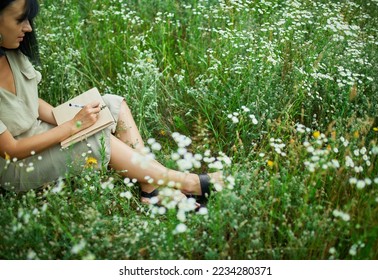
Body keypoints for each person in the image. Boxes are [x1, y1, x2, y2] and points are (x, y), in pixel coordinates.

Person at [0, 0, 222, 204]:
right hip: (17, 166)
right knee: (95, 137)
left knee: (110, 104)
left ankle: (151, 186)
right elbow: (12, 149)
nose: (28, 27)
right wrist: (74, 126)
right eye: (20, 19)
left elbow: (29, 100)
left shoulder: (11, 53)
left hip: (40, 133)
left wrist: (65, 119)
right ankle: (188, 182)